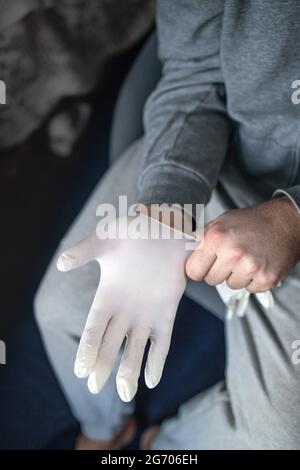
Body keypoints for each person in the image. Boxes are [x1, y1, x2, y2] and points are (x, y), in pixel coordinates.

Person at [35, 0, 300, 450]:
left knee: (279, 436)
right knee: (62, 308)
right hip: (219, 153)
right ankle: (104, 432)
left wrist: (293, 217)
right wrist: (163, 207)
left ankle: (163, 446)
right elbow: (195, 75)